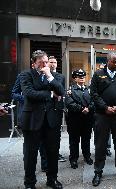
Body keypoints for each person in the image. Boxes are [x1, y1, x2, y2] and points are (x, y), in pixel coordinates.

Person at [20, 50, 64, 189]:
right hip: (33, 120)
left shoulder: (56, 76)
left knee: (52, 152)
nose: (45, 65)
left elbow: (61, 91)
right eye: (41, 63)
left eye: (46, 62)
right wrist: (50, 94)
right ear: (34, 64)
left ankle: (52, 179)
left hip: (52, 121)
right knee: (30, 154)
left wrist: (49, 76)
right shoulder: (25, 75)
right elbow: (29, 93)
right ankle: (29, 183)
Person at [90, 52, 116, 187]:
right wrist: (105, 107)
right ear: (108, 61)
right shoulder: (98, 74)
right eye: (114, 61)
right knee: (100, 144)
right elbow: (94, 94)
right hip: (102, 115)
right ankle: (98, 171)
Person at [12, 73, 48, 172]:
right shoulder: (22, 76)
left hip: (44, 115)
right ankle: (29, 171)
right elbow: (14, 93)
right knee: (30, 147)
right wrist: (27, 98)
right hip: (29, 116)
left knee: (44, 144)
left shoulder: (46, 77)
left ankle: (45, 166)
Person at [65, 69, 94, 169]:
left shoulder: (89, 89)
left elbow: (94, 101)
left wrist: (89, 108)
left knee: (86, 139)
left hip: (87, 119)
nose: (81, 78)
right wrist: (82, 109)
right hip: (75, 120)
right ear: (74, 78)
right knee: (74, 141)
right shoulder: (70, 90)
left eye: (83, 76)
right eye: (79, 76)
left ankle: (87, 156)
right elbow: (69, 103)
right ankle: (73, 159)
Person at [47, 56, 67, 163]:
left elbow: (60, 90)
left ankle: (56, 154)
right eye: (51, 62)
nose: (53, 64)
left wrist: (57, 92)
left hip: (57, 108)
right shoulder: (43, 75)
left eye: (54, 62)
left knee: (56, 134)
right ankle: (45, 159)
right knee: (45, 136)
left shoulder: (60, 76)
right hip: (46, 108)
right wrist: (51, 93)